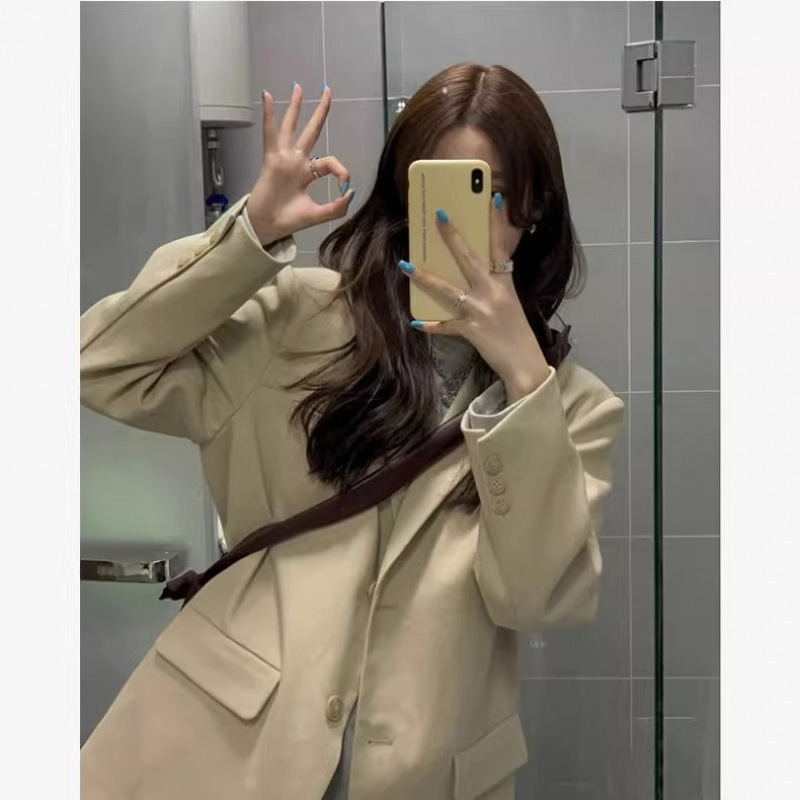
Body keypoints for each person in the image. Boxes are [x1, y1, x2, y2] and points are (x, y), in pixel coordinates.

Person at [79, 63, 625, 800]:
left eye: (490, 193)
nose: (461, 225)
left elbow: (537, 602)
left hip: (428, 777)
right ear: (404, 196)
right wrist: (249, 235)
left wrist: (525, 382)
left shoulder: (574, 409)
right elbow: (100, 364)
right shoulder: (293, 320)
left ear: (534, 211)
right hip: (230, 749)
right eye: (441, 189)